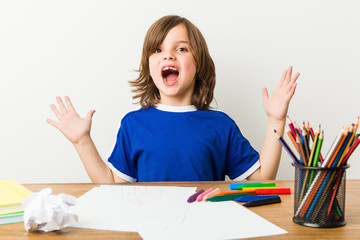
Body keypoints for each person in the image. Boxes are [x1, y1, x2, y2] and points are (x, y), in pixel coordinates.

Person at [47, 15, 300, 183]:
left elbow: (262, 179)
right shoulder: (133, 125)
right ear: (149, 65)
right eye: (158, 50)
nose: (168, 56)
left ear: (198, 63)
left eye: (181, 49)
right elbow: (111, 185)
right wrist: (82, 142)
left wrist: (275, 119)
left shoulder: (220, 125)